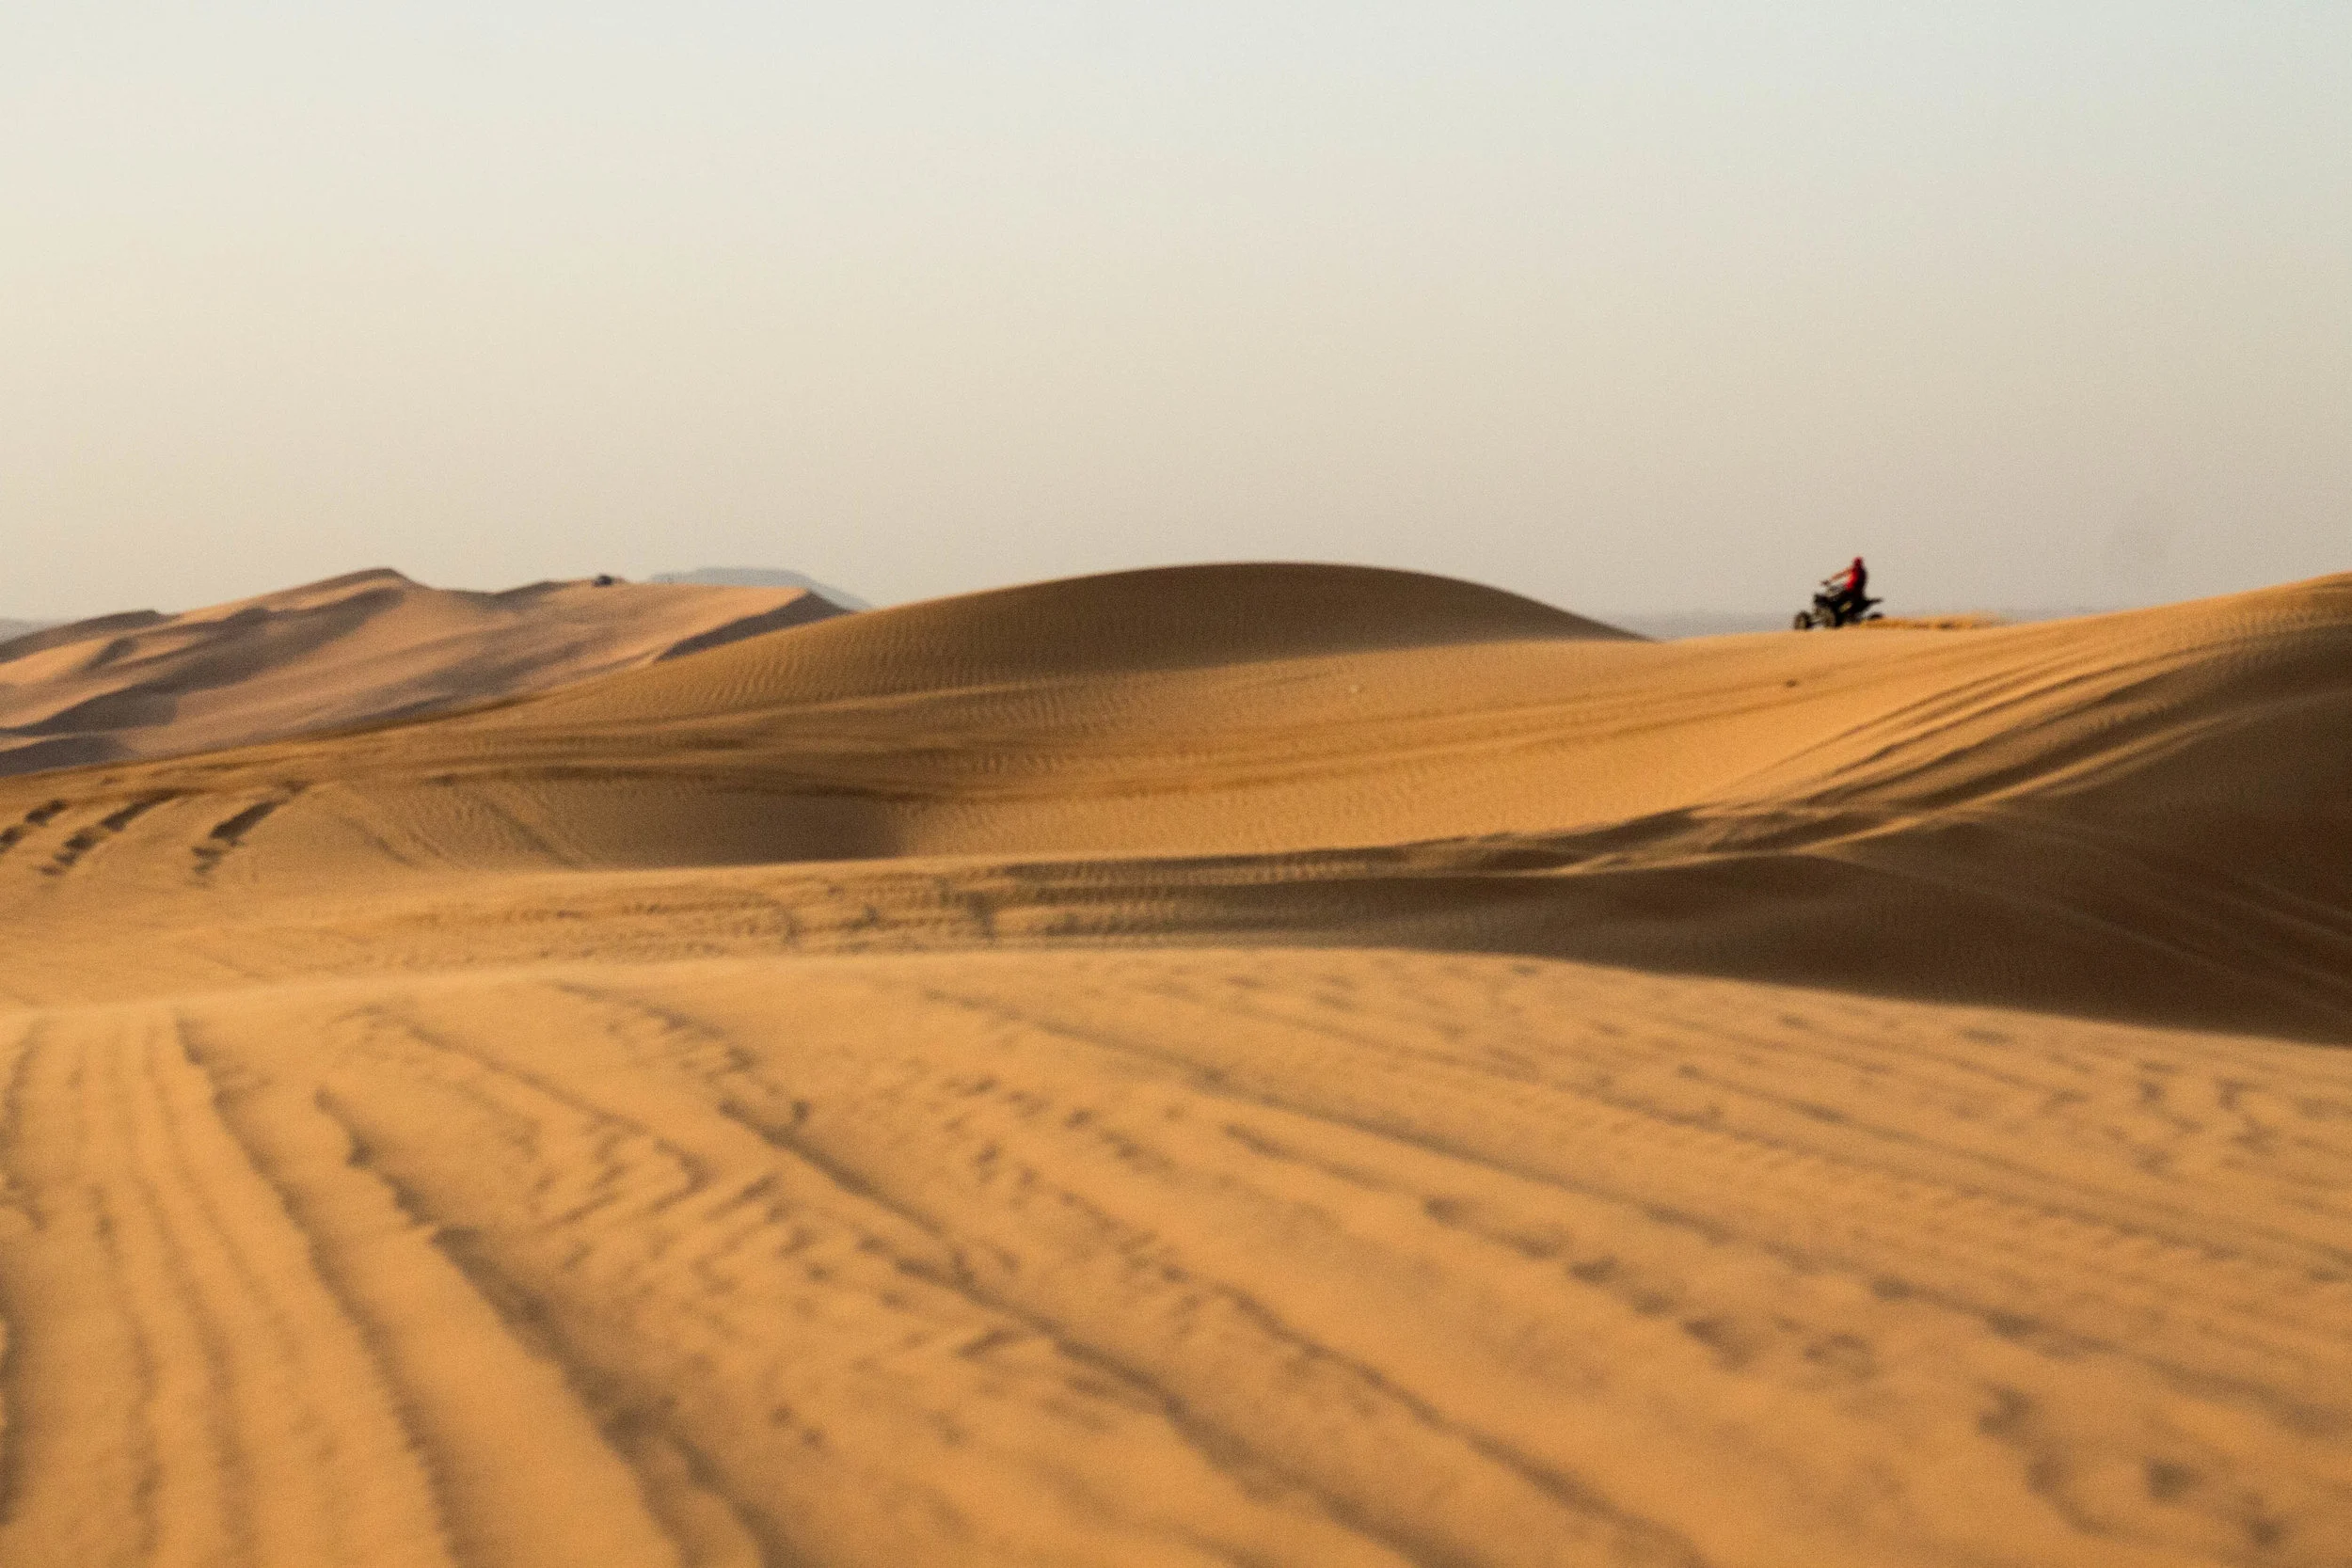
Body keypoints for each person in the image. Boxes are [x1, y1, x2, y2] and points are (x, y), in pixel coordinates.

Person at [1821, 556, 1868, 624]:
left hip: (1849, 591)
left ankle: (1837, 612)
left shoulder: (1854, 569)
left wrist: (1829, 580)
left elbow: (1841, 574)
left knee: (1833, 597)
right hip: (1857, 593)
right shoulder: (1863, 571)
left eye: (1855, 563)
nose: (1854, 564)